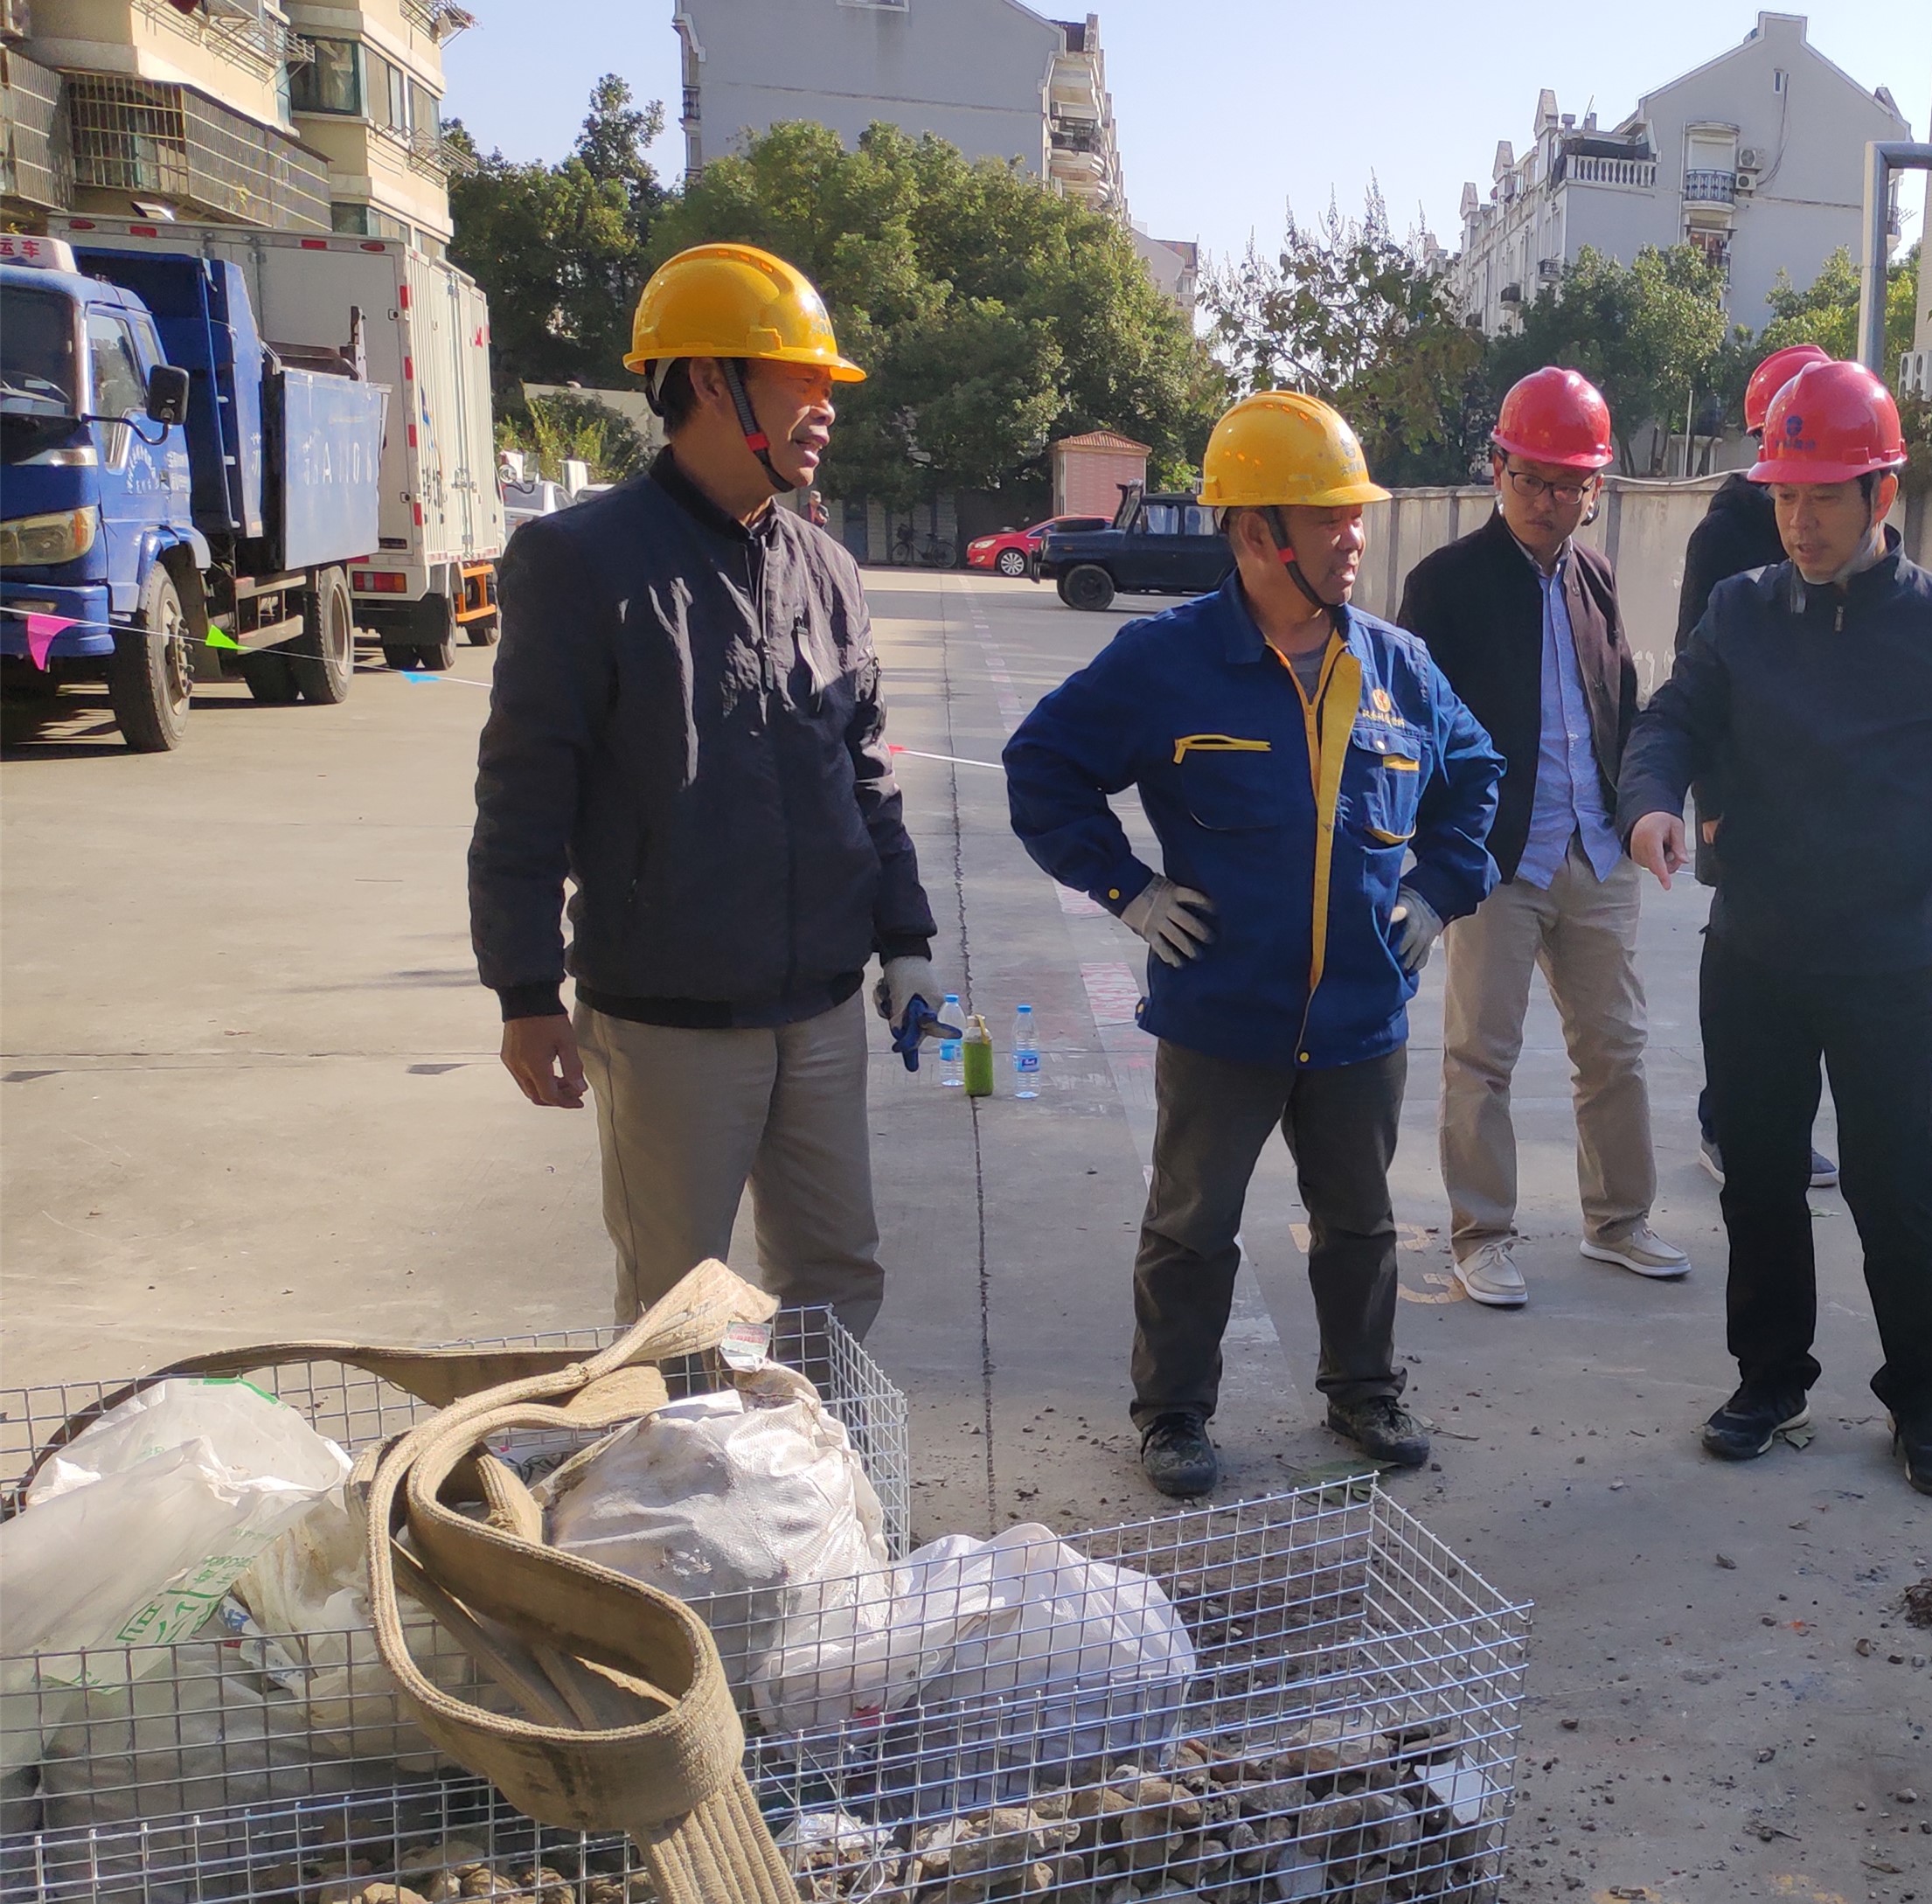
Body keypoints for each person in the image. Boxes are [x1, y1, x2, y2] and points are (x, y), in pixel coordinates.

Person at [1004, 391, 1502, 1497]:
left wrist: (1437, 891)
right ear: (1252, 531)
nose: (1351, 536)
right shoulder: (1167, 661)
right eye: (1325, 516)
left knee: (1359, 1223)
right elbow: (1041, 767)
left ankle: (1363, 1390)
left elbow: (1476, 775)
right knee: (1191, 1225)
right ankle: (1173, 1415)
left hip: (1359, 1016)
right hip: (1221, 1014)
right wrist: (1128, 891)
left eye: (1353, 514)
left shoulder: (1397, 667)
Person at [469, 243, 946, 1345]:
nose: (825, 407)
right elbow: (524, 793)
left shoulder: (826, 571)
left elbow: (864, 776)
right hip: (668, 1016)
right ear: (707, 382)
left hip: (818, 1006)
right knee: (675, 1310)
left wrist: (905, 940)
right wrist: (525, 990)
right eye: (801, 379)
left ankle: (817, 1464)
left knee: (835, 1277)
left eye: (828, 383)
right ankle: (682, 1465)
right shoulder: (581, 562)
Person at [1618, 360, 1932, 1497]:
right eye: (1784, 497)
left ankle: (1920, 1398)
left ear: (1879, 493)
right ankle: (1769, 1378)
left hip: (1880, 966)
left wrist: (1913, 868)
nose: (1798, 522)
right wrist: (1650, 802)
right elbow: (1670, 717)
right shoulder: (1740, 611)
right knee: (1757, 1180)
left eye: (1822, 498)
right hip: (1752, 950)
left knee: (1894, 1189)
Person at [1395, 367, 1686, 1309]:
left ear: (1593, 489)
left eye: (1567, 485)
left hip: (1595, 852)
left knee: (1615, 1048)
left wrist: (1641, 811)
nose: (1546, 500)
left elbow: (1622, 707)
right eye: (1529, 478)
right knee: (1480, 1056)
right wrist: (1432, 855)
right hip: (1496, 863)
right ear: (1496, 468)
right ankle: (1481, 1234)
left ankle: (1618, 1221)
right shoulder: (1444, 586)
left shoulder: (1594, 578)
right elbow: (1406, 731)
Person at [1676, 343, 1839, 1196]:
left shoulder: (1847, 528)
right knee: (1743, 961)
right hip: (1745, 789)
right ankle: (1725, 1122)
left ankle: (1782, 1125)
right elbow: (1693, 669)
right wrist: (1715, 794)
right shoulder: (1727, 533)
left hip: (1820, 793)